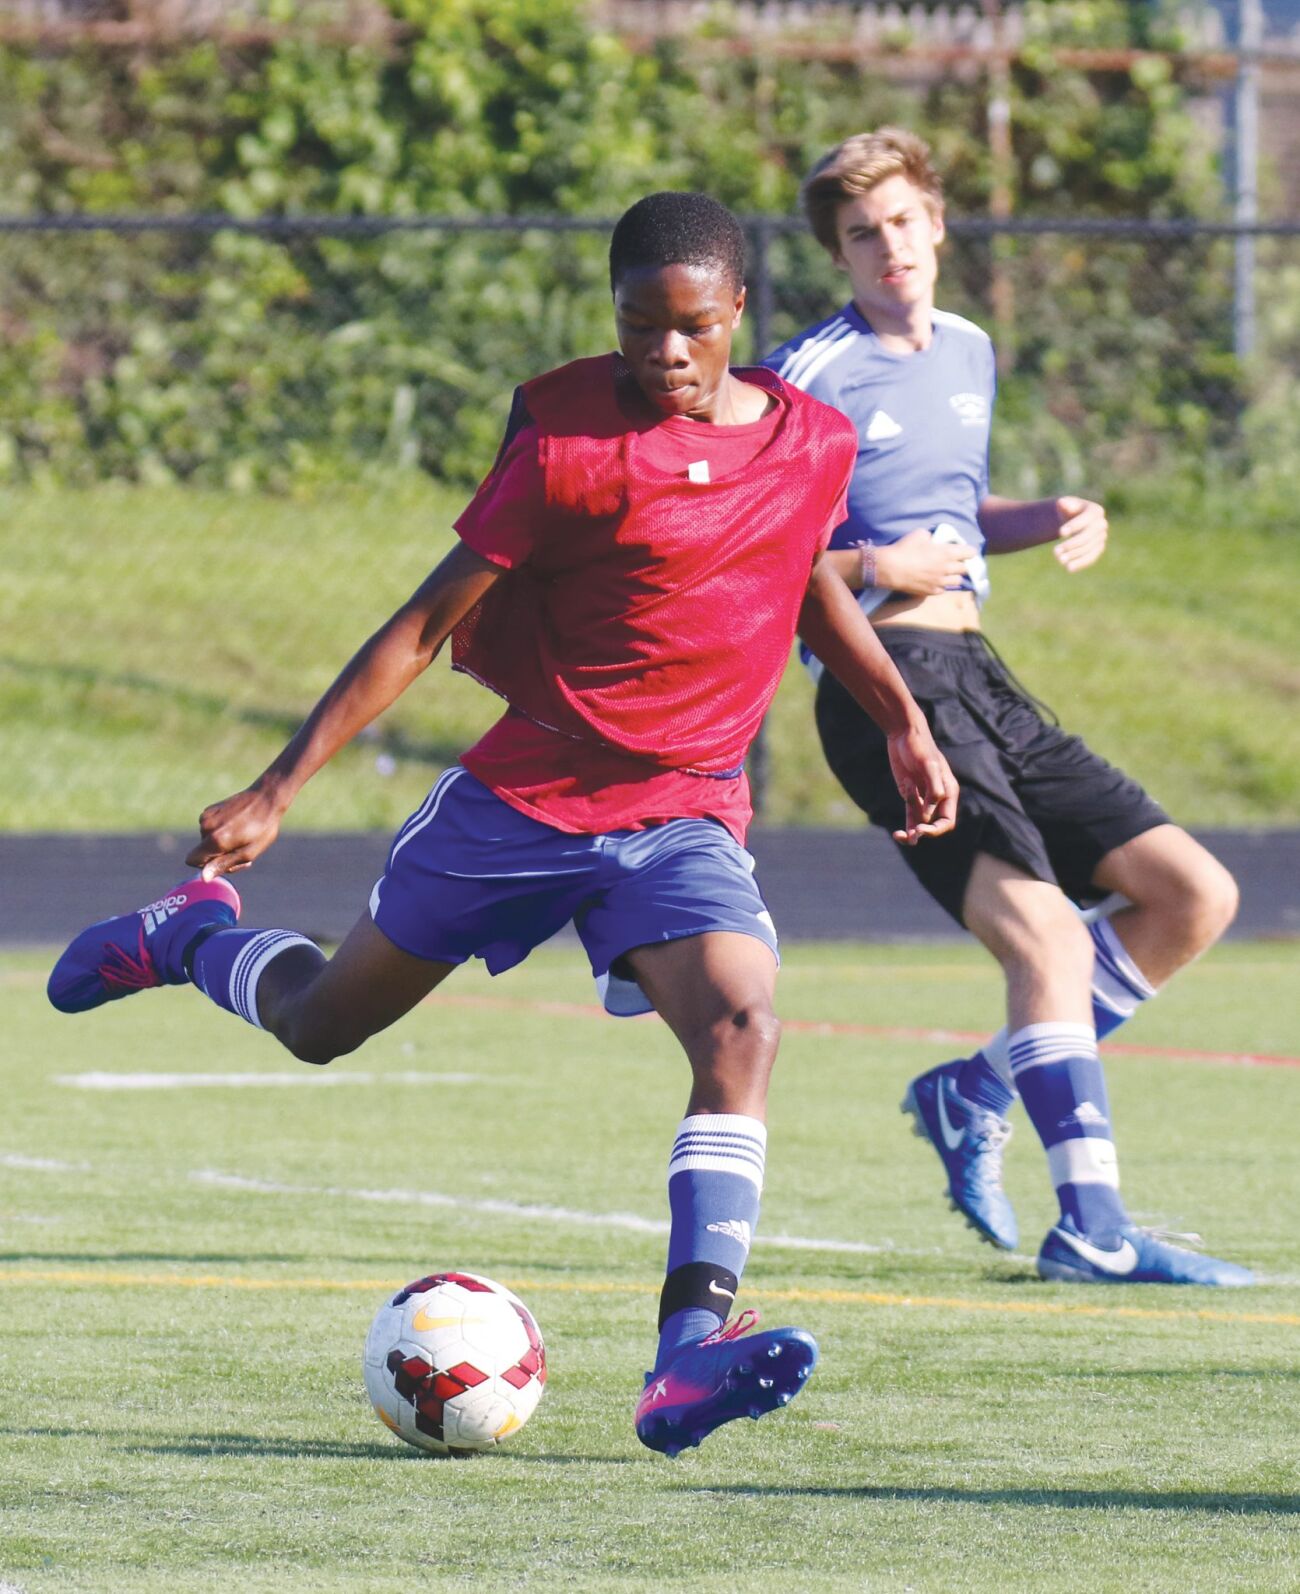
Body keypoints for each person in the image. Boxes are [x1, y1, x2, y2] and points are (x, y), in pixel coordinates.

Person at [49, 192, 958, 1452]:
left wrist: (901, 717)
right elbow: (423, 627)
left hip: (685, 812)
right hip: (521, 806)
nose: (664, 356)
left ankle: (686, 1357)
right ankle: (189, 935)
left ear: (737, 314)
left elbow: (801, 575)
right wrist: (278, 786)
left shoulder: (809, 438)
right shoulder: (567, 450)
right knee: (320, 1025)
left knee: (743, 1026)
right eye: (639, 327)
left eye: (690, 329)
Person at [765, 129, 1252, 1287]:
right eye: (859, 234)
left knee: (1192, 894)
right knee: (1041, 936)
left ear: (936, 224)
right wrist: (878, 562)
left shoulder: (970, 350)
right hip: (882, 691)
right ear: (837, 254)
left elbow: (957, 511)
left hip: (981, 674)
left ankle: (976, 1086)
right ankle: (1090, 1227)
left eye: (900, 223)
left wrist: (1051, 517)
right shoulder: (805, 374)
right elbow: (766, 554)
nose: (888, 248)